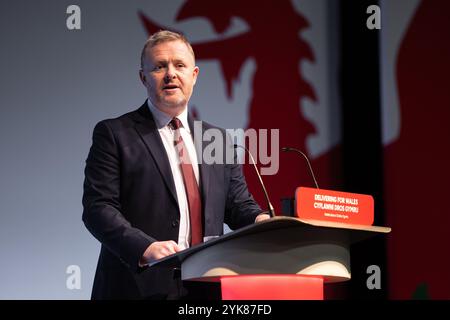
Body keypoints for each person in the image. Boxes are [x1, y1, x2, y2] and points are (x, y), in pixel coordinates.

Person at [82, 30, 271, 300]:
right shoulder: (115, 134)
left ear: (194, 75)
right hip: (136, 287)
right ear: (143, 78)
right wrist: (144, 248)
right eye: (159, 66)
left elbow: (237, 206)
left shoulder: (217, 139)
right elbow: (98, 209)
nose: (171, 73)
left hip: (203, 288)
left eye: (179, 65)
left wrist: (263, 222)